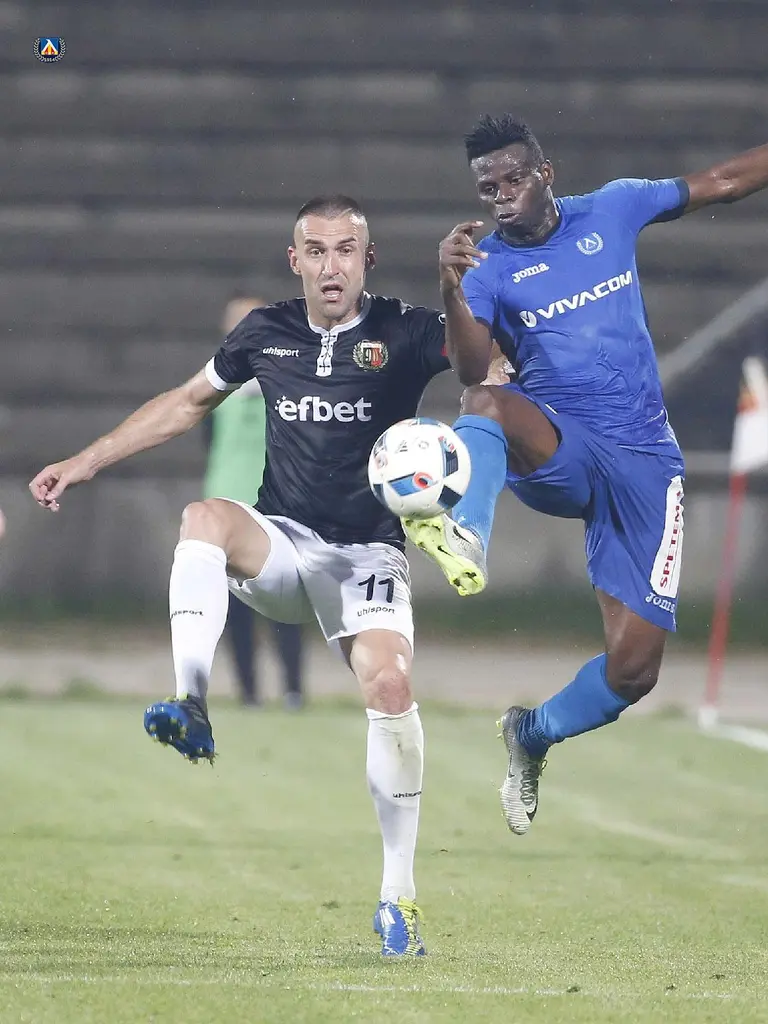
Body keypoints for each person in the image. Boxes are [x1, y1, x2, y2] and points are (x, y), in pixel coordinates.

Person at [404, 71, 768, 836]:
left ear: (546, 173)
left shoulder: (613, 208)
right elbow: (473, 371)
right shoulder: (489, 268)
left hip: (645, 461)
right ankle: (466, 530)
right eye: (487, 188)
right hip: (563, 448)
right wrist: (450, 287)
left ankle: (532, 734)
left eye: (513, 180)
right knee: (487, 403)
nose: (501, 197)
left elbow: (725, 182)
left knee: (634, 672)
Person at [29, 195, 453, 957]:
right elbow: (188, 402)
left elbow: (491, 369)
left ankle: (399, 900)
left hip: (367, 557)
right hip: (283, 545)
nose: (331, 266)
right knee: (203, 517)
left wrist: (462, 289)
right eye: (316, 251)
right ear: (296, 262)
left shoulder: (409, 330)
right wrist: (86, 460)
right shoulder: (266, 331)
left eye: (345, 250)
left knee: (391, 690)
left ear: (369, 260)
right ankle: (191, 699)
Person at [204, 293, 305, 709]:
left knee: (284, 604)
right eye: (236, 320)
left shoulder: (289, 380)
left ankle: (293, 691)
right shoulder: (212, 384)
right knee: (235, 609)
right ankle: (248, 693)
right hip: (226, 504)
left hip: (278, 507)